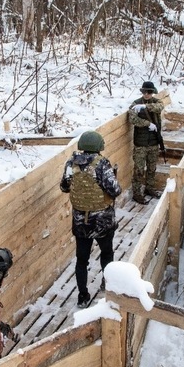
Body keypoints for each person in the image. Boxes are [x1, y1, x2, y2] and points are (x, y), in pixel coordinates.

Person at [60, 130, 121, 307]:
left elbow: (64, 187)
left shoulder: (71, 163)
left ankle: (82, 295)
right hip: (102, 219)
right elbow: (115, 190)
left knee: (81, 259)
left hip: (81, 220)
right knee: (107, 253)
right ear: (98, 146)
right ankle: (107, 283)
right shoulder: (102, 164)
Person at [128, 80, 165, 204]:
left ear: (153, 92)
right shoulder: (136, 103)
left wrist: (146, 106)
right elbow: (132, 118)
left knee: (151, 168)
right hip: (141, 143)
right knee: (139, 169)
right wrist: (147, 123)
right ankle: (137, 193)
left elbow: (160, 106)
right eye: (144, 92)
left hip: (154, 142)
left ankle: (150, 188)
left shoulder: (156, 102)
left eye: (149, 92)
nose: (146, 94)